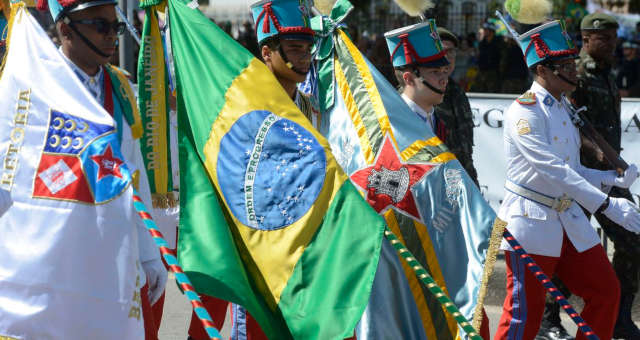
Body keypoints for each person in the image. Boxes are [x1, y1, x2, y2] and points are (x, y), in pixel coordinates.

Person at [494, 18, 640, 340]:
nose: (574, 70)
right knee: (524, 315)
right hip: (532, 220)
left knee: (605, 292)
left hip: (568, 220)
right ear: (542, 70)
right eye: (565, 64)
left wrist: (612, 179)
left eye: (573, 63)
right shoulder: (525, 111)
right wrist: (606, 205)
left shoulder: (562, 107)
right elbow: (551, 169)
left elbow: (571, 168)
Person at [37, 0, 168, 338]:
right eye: (100, 25)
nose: (112, 36)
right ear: (65, 29)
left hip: (116, 264)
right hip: (57, 269)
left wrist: (149, 253)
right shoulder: (37, 90)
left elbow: (133, 177)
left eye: (116, 27)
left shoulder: (121, 88)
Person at [186, 1, 317, 339]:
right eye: (294, 49)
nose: (304, 57)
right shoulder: (244, 104)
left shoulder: (306, 106)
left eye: (308, 49)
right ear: (267, 52)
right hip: (254, 238)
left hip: (298, 242)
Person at [384, 20, 491, 339]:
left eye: (445, 71)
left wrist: (455, 207)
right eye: (435, 73)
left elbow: (453, 173)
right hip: (408, 253)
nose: (445, 78)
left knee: (474, 321)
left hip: (445, 243)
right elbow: (385, 191)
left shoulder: (434, 122)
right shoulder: (393, 128)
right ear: (408, 77)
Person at [538, 13, 640, 340]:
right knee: (570, 246)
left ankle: (619, 318)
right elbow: (568, 123)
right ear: (585, 39)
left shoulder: (608, 74)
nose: (612, 43)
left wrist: (613, 164)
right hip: (579, 177)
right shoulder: (575, 72)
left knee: (633, 239)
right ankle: (549, 319)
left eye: (613, 37)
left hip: (610, 177)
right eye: (604, 38)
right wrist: (596, 154)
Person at [435, 27, 480, 185]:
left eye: (451, 53)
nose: (447, 58)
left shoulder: (457, 92)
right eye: (442, 51)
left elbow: (465, 151)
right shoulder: (420, 95)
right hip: (436, 183)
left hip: (463, 180)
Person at [471, 22, 503, 93]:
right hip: (482, 71)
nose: (484, 31)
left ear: (491, 31)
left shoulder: (498, 43)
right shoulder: (482, 43)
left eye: (486, 30)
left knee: (493, 92)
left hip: (493, 72)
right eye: (484, 29)